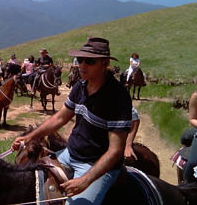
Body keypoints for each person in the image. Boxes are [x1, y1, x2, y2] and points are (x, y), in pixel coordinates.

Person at [11, 37, 132, 205]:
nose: (82, 65)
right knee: (33, 184)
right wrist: (30, 136)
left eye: (89, 61)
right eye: (80, 60)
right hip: (69, 154)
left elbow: (115, 151)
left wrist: (85, 180)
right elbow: (60, 118)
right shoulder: (81, 86)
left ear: (104, 64)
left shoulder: (118, 98)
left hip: (95, 166)